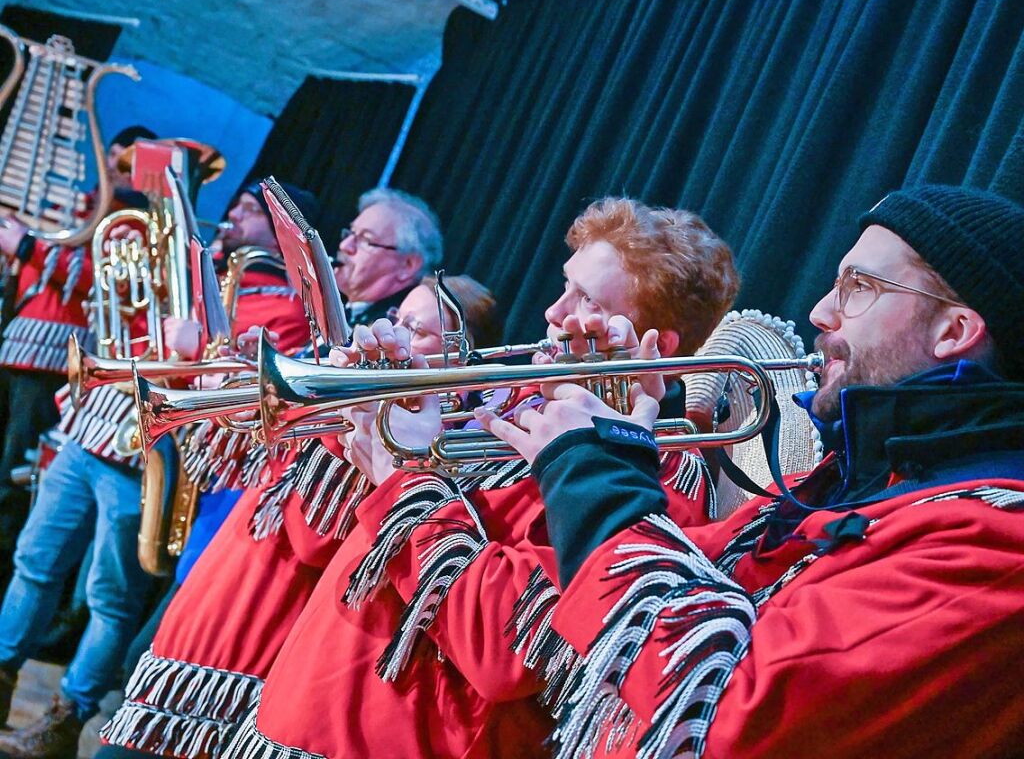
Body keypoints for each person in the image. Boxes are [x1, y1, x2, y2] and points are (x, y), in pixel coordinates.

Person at [477, 185, 1024, 758]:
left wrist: (589, 473)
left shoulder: (993, 540)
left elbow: (725, 717)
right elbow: (636, 590)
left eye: (858, 287)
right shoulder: (845, 481)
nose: (821, 311)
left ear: (954, 332)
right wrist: (617, 435)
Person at [222, 197, 740, 758]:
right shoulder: (509, 402)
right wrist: (370, 411)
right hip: (297, 717)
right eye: (565, 285)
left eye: (586, 298)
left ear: (655, 346)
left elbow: (504, 653)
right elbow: (318, 535)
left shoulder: (653, 482)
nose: (552, 311)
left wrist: (411, 474)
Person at [95, 274, 501, 759]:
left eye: (418, 330)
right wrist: (243, 386)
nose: (395, 333)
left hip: (255, 633)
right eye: (398, 319)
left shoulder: (416, 439)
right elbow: (246, 474)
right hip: (220, 588)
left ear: (458, 357)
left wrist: (341, 421)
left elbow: (312, 538)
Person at [0, 183, 318, 758]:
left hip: (145, 453)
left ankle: (65, 715)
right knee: (33, 562)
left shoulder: (284, 308)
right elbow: (116, 320)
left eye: (252, 212)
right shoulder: (194, 273)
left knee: (109, 594)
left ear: (281, 235)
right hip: (89, 430)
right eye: (239, 206)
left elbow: (239, 397)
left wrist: (193, 353)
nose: (235, 217)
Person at [0, 126, 155, 564]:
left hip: (59, 356)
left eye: (129, 164)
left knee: (15, 472)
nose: (115, 169)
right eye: (114, 158)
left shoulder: (132, 226)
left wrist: (29, 246)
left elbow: (108, 286)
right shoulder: (74, 207)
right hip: (17, 342)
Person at [334, 187, 443, 326]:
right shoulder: (340, 311)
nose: (345, 245)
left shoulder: (393, 332)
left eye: (366, 240)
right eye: (351, 233)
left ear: (408, 265)